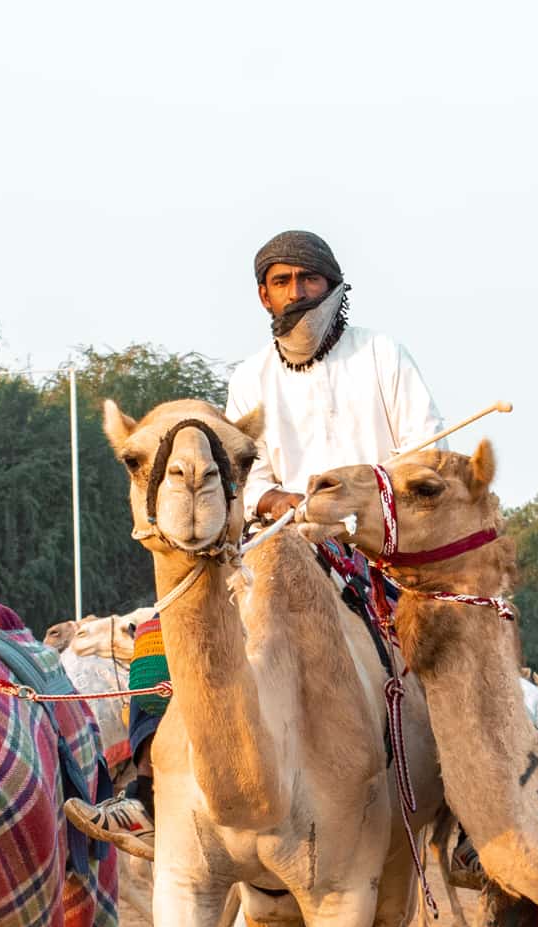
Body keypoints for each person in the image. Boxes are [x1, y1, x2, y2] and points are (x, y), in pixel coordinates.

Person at [72, 229, 446, 859]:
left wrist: (355, 498)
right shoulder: (250, 380)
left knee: (457, 640)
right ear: (262, 296)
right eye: (282, 282)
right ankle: (146, 791)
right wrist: (292, 505)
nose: (296, 293)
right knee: (160, 632)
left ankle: (467, 815)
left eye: (308, 280)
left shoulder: (384, 356)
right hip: (276, 547)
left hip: (377, 550)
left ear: (334, 286)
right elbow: (251, 477)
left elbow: (426, 458)